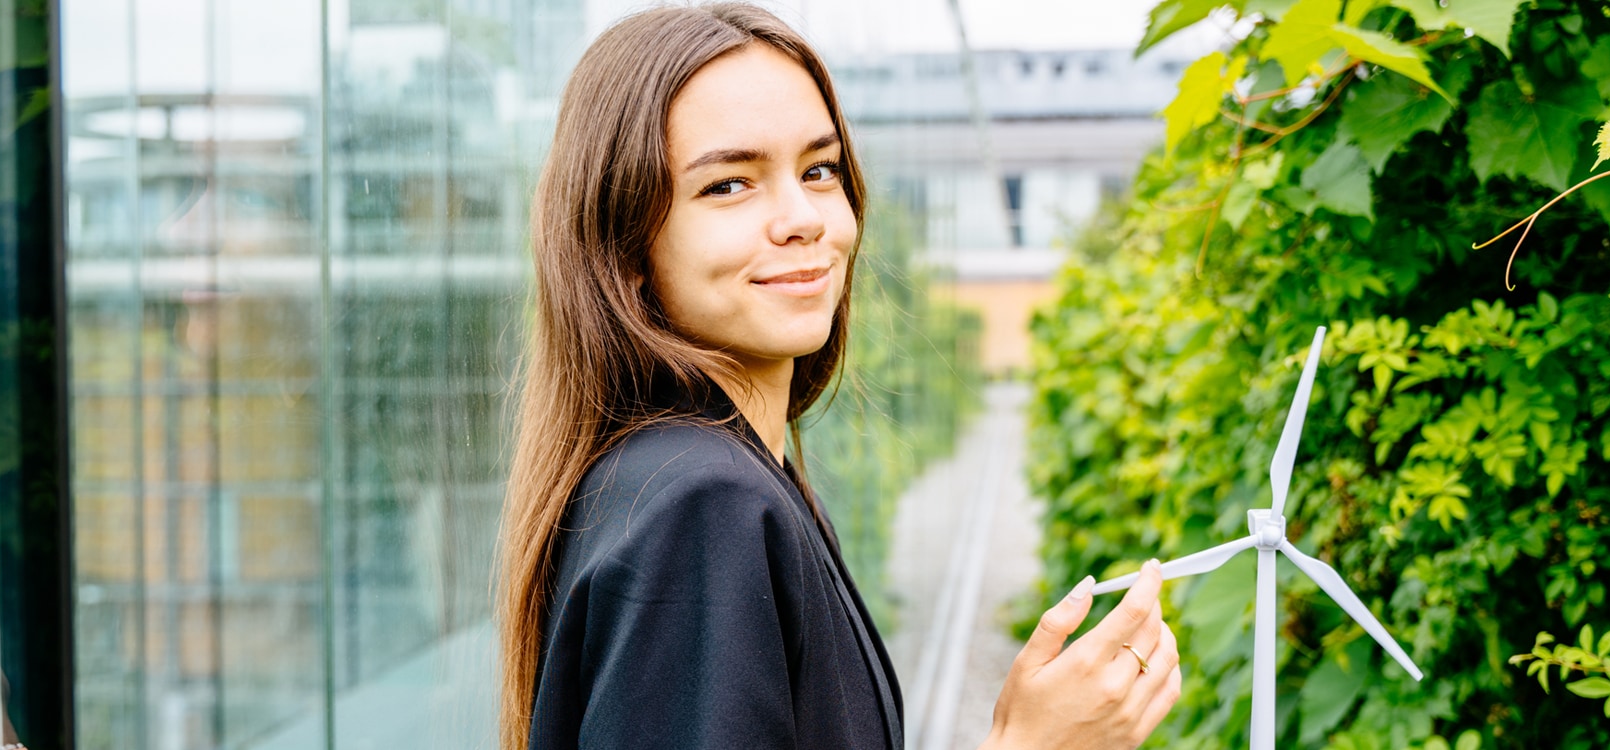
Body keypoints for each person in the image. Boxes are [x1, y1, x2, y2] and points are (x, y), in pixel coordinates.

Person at [494, 4, 1181, 748]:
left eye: (819, 170)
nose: (804, 217)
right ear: (625, 248)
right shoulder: (704, 505)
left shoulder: (700, 480)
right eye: (728, 184)